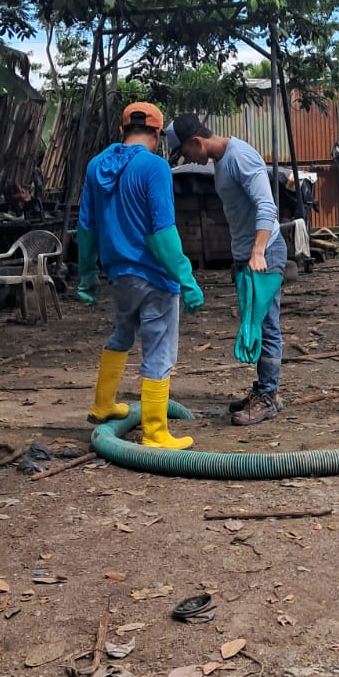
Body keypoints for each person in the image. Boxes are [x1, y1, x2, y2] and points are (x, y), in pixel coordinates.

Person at [77, 101, 204, 451]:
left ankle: (103, 404)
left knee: (122, 334)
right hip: (154, 277)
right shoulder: (155, 167)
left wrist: (87, 274)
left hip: (118, 275)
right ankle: (155, 432)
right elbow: (162, 233)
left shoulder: (96, 166)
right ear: (158, 134)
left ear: (122, 131)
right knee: (159, 350)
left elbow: (86, 227)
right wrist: (187, 279)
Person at [165, 113, 287, 425]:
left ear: (197, 142)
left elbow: (266, 206)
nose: (188, 160)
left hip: (265, 253)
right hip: (246, 256)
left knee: (265, 324)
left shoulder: (240, 157)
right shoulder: (221, 161)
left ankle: (268, 397)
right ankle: (264, 388)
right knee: (253, 324)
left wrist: (257, 252)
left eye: (186, 153)